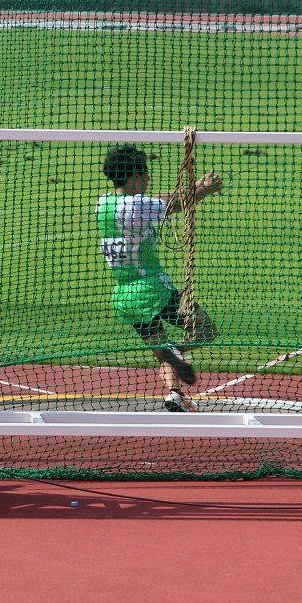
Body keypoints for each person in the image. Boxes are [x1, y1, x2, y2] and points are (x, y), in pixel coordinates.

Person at [96, 145, 221, 412]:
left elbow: (154, 200)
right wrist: (204, 189)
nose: (149, 179)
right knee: (207, 330)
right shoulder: (137, 205)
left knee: (161, 349)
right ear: (135, 177)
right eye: (146, 174)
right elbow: (174, 203)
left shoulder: (103, 203)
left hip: (125, 298)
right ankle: (175, 353)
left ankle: (174, 394)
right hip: (153, 291)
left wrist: (194, 187)